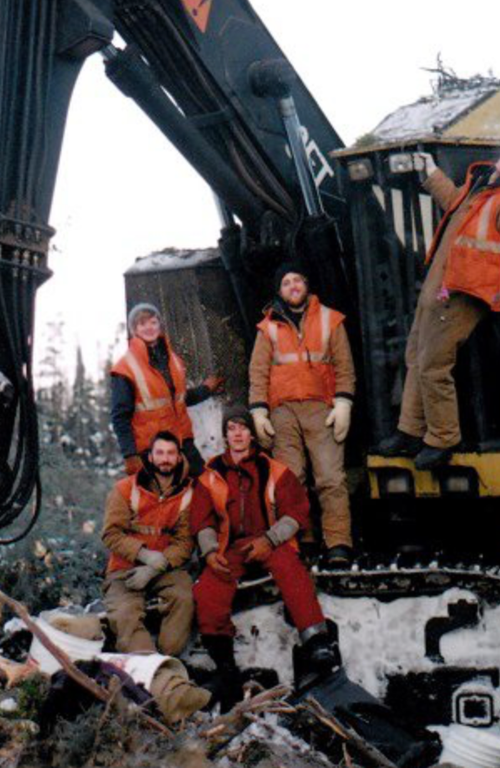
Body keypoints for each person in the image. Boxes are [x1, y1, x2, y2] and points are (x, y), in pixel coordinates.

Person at [377, 147, 500, 469]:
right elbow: (452, 201)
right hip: (438, 286)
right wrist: (430, 171)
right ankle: (410, 431)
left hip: (462, 291)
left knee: (433, 366)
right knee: (415, 356)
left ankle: (443, 439)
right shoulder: (480, 186)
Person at [192, 407, 340, 708]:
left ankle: (316, 641)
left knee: (292, 571)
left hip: (269, 539)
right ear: (224, 435)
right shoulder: (210, 475)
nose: (237, 434)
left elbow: (297, 514)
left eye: (243, 428)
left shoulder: (274, 470)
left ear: (251, 434)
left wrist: (270, 539)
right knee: (209, 589)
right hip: (231, 547)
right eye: (231, 428)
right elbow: (202, 520)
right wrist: (209, 551)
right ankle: (224, 663)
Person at [248, 263, 357, 567]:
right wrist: (259, 411)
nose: (293, 286)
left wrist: (343, 403)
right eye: (286, 282)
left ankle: (338, 543)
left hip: (320, 408)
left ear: (306, 285)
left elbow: (344, 367)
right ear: (279, 290)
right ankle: (302, 539)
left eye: (298, 280)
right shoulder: (267, 327)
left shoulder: (330, 319)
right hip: (282, 412)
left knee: (330, 478)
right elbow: (258, 373)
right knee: (290, 479)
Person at [101, 430, 207, 656]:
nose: (165, 459)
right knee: (125, 614)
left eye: (171, 453)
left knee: (185, 597)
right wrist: (144, 555)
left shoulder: (187, 493)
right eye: (159, 453)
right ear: (150, 457)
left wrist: (155, 566)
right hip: (125, 569)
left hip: (165, 568)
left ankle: (168, 659)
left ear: (179, 457)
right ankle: (146, 664)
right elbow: (111, 534)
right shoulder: (125, 489)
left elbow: (185, 542)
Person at [111, 303, 224, 477]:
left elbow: (178, 399)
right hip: (152, 450)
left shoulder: (174, 360)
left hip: (182, 442)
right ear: (134, 329)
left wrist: (206, 389)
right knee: (165, 501)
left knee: (205, 486)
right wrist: (130, 455)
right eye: (142, 324)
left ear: (160, 325)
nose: (149, 327)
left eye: (153, 322)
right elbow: (120, 417)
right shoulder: (125, 368)